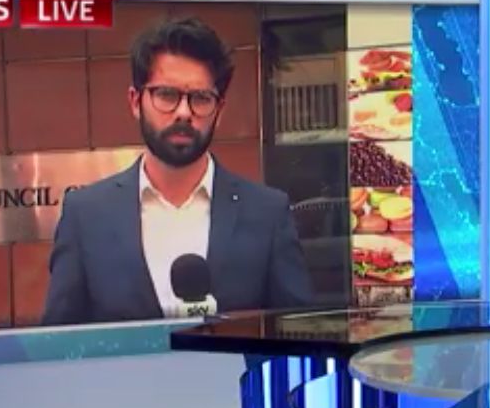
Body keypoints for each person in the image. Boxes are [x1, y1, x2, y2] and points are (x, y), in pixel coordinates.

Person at [42, 17, 312, 326]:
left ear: (220, 110)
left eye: (201, 98)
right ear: (135, 101)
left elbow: (297, 332)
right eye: (167, 95)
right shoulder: (86, 215)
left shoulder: (267, 212)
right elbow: (58, 338)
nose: (184, 112)